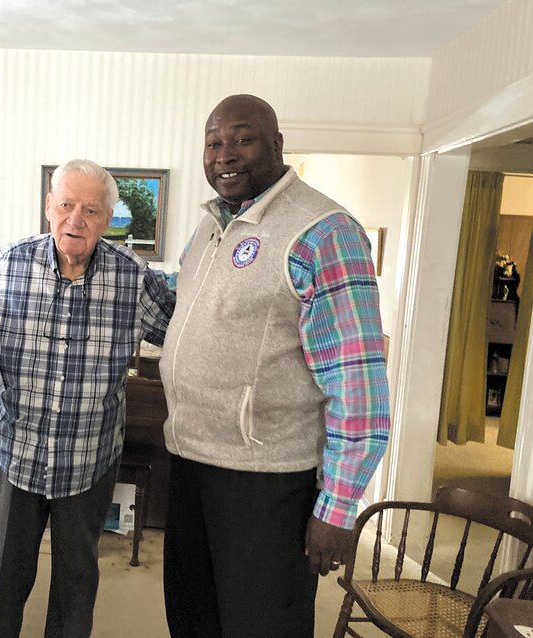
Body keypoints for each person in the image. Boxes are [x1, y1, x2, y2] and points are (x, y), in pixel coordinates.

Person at [160, 94, 390, 637]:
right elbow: (186, 315)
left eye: (243, 138)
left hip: (266, 484)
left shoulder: (324, 231)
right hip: (191, 464)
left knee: (262, 625)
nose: (225, 155)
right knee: (194, 620)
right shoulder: (212, 228)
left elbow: (358, 385)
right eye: (214, 143)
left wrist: (336, 509)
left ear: (277, 144)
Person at [0, 159, 175, 638]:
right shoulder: (9, 263)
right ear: (48, 206)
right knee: (7, 576)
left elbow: (184, 337)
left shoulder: (134, 278)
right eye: (65, 205)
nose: (75, 220)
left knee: (77, 580)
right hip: (14, 450)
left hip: (90, 455)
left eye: (90, 210)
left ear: (108, 218)